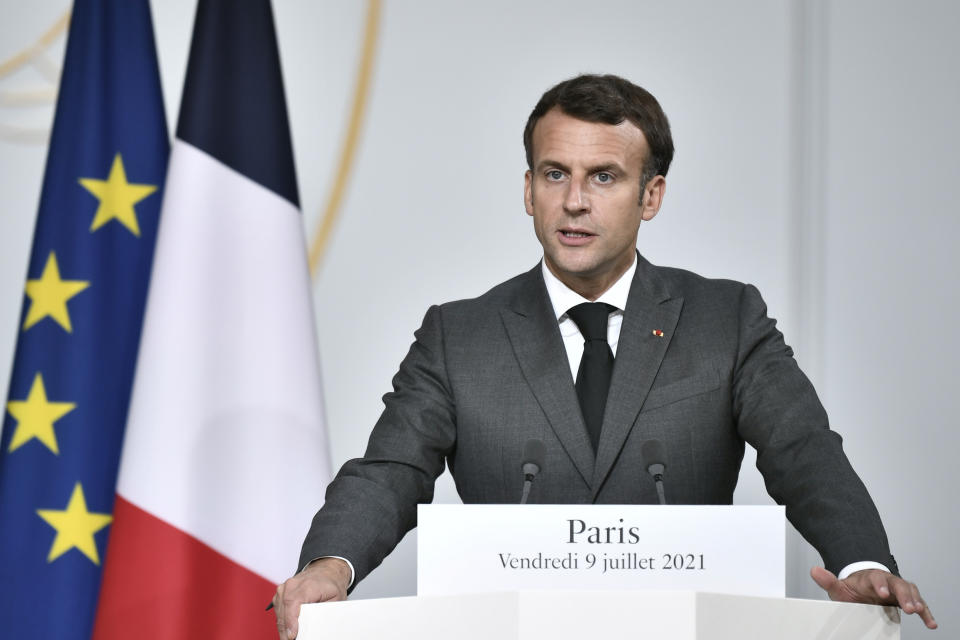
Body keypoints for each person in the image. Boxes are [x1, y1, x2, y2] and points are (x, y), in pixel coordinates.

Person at [273, 74, 936, 638]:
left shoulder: (725, 320)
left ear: (651, 196)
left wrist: (858, 564)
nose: (575, 201)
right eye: (554, 173)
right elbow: (388, 473)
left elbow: (803, 451)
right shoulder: (458, 335)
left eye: (605, 177)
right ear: (528, 189)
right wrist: (332, 564)